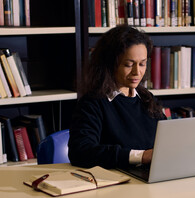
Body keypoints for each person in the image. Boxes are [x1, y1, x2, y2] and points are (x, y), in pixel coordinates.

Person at [68, 25, 166, 169]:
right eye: (128, 64)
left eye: (142, 64)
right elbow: (81, 152)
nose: (137, 72)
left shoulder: (147, 98)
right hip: (115, 182)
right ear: (110, 64)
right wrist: (140, 156)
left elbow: (166, 141)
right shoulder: (92, 103)